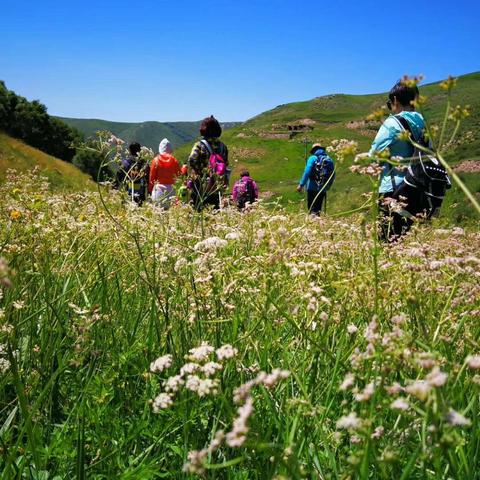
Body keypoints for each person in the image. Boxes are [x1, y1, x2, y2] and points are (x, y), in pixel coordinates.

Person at [369, 81, 426, 240]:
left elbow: (373, 155)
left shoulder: (392, 123)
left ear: (395, 100)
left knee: (388, 241)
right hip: (417, 188)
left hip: (393, 189)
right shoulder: (422, 123)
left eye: (389, 104)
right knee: (405, 241)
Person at [187, 116, 229, 211]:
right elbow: (225, 164)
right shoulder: (223, 147)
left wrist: (200, 171)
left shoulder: (199, 145)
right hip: (217, 186)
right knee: (214, 211)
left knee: (198, 211)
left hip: (200, 186)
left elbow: (192, 160)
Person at [296, 143, 335, 215]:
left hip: (312, 187)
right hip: (323, 188)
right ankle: (317, 223)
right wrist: (327, 187)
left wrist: (301, 185)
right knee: (318, 210)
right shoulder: (329, 159)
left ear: (313, 150)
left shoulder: (313, 158)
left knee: (312, 210)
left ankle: (312, 224)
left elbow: (307, 171)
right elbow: (333, 174)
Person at [149, 138, 181, 209]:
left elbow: (151, 178)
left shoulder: (156, 160)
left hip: (158, 191)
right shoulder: (174, 161)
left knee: (158, 213)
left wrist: (150, 190)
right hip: (171, 191)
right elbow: (179, 175)